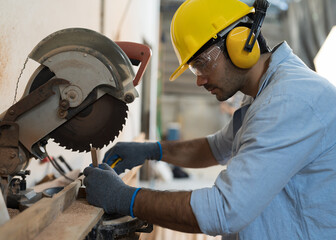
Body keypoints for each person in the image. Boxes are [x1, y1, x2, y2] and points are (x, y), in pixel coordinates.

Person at [83, 0, 336, 239]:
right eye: (194, 69)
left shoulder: (289, 100)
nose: (199, 80)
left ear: (242, 44)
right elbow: (216, 147)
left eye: (202, 64)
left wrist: (125, 197)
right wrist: (152, 150)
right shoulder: (262, 93)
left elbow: (223, 210)